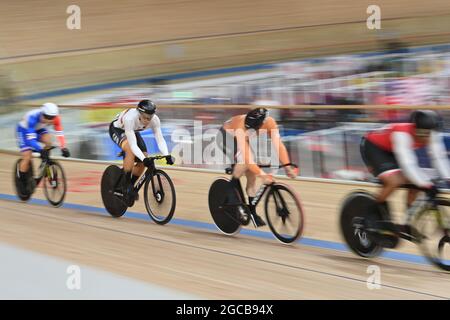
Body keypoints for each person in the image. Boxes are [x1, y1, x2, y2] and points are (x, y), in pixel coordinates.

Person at [361, 110, 450, 231]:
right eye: (425, 134)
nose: (429, 138)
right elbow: (408, 164)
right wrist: (426, 185)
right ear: (416, 130)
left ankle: (407, 222)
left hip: (393, 149)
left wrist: (448, 178)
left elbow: (439, 157)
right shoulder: (402, 133)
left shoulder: (431, 134)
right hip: (373, 146)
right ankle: (369, 214)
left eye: (431, 133)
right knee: (395, 181)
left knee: (416, 183)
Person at [216, 107, 298, 227]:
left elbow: (279, 146)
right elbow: (248, 159)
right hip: (225, 137)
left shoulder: (270, 122)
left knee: (252, 174)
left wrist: (287, 166)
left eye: (251, 130)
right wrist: (262, 174)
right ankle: (231, 190)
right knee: (245, 162)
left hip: (240, 136)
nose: (249, 131)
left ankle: (252, 211)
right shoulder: (241, 128)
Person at [109, 99, 173, 202]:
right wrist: (144, 159)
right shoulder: (130, 118)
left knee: (144, 157)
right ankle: (126, 185)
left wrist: (166, 155)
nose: (147, 120)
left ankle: (131, 186)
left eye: (150, 117)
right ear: (139, 113)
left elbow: (160, 139)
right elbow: (133, 145)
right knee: (130, 149)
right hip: (118, 129)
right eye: (145, 117)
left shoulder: (155, 120)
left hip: (132, 131)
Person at [16, 102, 70, 193]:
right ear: (42, 113)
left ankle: (45, 162)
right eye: (47, 117)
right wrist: (40, 150)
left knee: (48, 141)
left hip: (39, 129)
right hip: (24, 131)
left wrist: (63, 148)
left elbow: (59, 133)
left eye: (51, 118)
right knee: (27, 156)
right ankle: (22, 181)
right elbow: (31, 140)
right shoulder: (32, 118)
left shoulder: (56, 118)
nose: (49, 120)